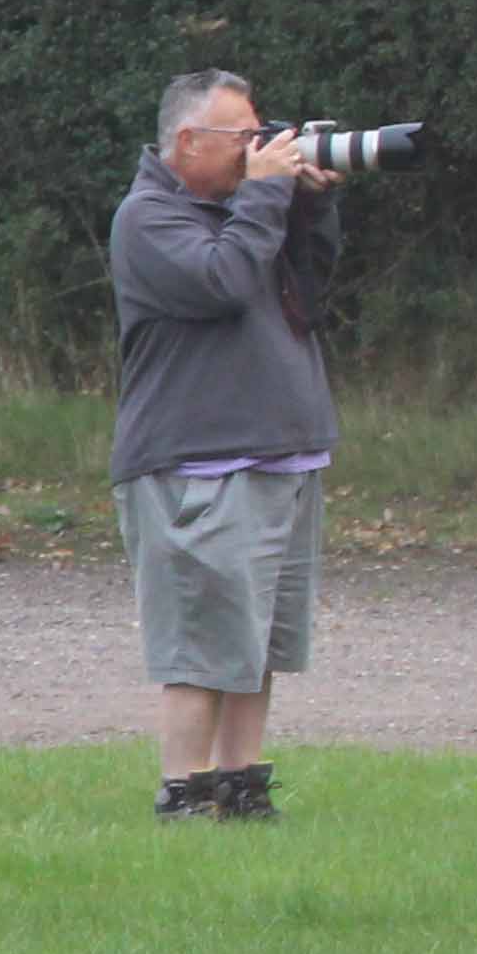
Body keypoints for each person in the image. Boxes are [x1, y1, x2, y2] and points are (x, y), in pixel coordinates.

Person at [108, 72, 342, 821]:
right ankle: (185, 791)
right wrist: (267, 196)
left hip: (283, 453)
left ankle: (243, 788)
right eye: (242, 137)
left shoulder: (246, 210)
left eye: (260, 133)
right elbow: (224, 283)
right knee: (202, 640)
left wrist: (309, 202)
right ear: (187, 142)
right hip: (197, 465)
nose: (257, 148)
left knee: (257, 642)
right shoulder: (148, 219)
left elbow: (312, 295)